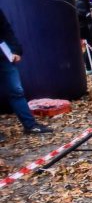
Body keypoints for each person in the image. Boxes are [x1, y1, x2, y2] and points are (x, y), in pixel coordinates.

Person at [0, 8, 53, 139]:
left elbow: (6, 29)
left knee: (16, 90)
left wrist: (16, 49)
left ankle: (30, 125)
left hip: (3, 55)